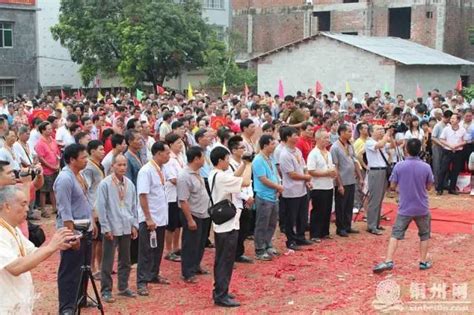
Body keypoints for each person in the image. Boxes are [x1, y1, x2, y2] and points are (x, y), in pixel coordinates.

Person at [0, 185, 77, 314]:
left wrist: (56, 245)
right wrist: (51, 246)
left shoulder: (12, 228)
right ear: (7, 206)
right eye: (23, 204)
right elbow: (15, 268)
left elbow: (32, 252)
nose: (27, 209)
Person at [373, 139, 434, 273]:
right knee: (424, 234)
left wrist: (402, 187)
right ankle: (423, 262)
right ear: (420, 150)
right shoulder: (426, 167)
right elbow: (429, 187)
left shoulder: (399, 166)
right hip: (421, 207)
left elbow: (393, 186)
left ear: (406, 149)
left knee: (396, 234)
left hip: (405, 207)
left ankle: (388, 260)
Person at [54, 143, 97, 315]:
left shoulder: (78, 175)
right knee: (69, 270)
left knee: (84, 267)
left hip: (84, 227)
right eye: (83, 158)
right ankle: (67, 307)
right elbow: (65, 211)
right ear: (72, 160)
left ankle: (81, 299)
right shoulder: (65, 179)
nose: (86, 160)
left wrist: (92, 223)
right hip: (73, 231)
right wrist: (71, 236)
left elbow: (84, 202)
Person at [208, 146, 251, 307]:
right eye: (227, 159)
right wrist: (249, 165)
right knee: (225, 260)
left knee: (222, 260)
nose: (228, 162)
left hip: (223, 224)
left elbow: (234, 176)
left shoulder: (215, 174)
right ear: (220, 160)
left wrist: (243, 164)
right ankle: (221, 294)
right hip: (227, 225)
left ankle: (221, 289)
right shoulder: (220, 177)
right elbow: (244, 182)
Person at [96, 154, 138, 303]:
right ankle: (106, 290)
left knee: (125, 260)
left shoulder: (130, 184)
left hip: (126, 225)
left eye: (124, 165)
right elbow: (101, 207)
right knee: (107, 261)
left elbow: (133, 206)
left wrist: (134, 225)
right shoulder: (105, 184)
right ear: (112, 166)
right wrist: (105, 227)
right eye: (119, 165)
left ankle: (123, 286)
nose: (122, 168)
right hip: (112, 227)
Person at [136, 141, 171, 296]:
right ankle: (141, 281)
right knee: (146, 251)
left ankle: (153, 274)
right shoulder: (146, 171)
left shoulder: (161, 169)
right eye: (167, 153)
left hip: (161, 216)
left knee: (157, 248)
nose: (168, 156)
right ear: (157, 153)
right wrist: (148, 218)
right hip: (150, 218)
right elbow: (143, 195)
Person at [177, 146, 211, 283]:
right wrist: (190, 219)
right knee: (190, 244)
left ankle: (196, 265)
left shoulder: (197, 172)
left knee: (200, 242)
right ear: (196, 159)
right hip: (193, 214)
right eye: (202, 157)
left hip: (203, 213)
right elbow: (183, 200)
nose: (204, 160)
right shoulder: (184, 176)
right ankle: (187, 272)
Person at [279, 127, 313, 250]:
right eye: (295, 135)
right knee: (290, 217)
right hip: (291, 190)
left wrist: (307, 179)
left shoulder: (297, 151)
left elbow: (303, 166)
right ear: (288, 137)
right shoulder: (284, 154)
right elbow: (291, 174)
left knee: (302, 215)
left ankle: (300, 236)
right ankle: (291, 240)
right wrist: (306, 177)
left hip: (302, 189)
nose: (297, 137)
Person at [252, 135, 283, 261]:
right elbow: (263, 179)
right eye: (272, 144)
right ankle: (260, 248)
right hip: (264, 196)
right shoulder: (258, 160)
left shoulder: (270, 158)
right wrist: (278, 186)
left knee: (272, 222)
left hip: (273, 195)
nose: (274, 146)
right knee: (262, 223)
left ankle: (268, 244)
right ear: (265, 145)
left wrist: (278, 187)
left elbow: (274, 174)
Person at [330, 124, 363, 237]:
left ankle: (348, 225)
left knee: (349, 204)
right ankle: (341, 228)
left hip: (351, 180)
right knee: (341, 205)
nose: (350, 133)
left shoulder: (350, 145)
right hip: (342, 181)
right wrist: (339, 184)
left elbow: (355, 161)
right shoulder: (335, 147)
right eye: (348, 131)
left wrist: (360, 177)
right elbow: (335, 166)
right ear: (342, 133)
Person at [227, 136, 254, 264]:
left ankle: (239, 253)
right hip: (236, 200)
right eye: (241, 148)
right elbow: (234, 184)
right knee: (234, 230)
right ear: (233, 150)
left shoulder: (244, 163)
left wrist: (250, 195)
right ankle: (232, 255)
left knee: (244, 228)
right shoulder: (230, 165)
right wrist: (245, 197)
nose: (244, 150)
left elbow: (249, 182)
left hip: (246, 199)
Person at [81, 140, 105, 279]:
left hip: (100, 205)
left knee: (101, 240)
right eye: (100, 149)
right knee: (95, 240)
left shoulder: (99, 165)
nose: (103, 151)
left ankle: (100, 265)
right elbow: (87, 190)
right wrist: (92, 211)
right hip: (93, 206)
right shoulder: (89, 168)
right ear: (92, 151)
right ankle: (93, 266)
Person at [365, 124, 395, 235]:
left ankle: (376, 224)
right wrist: (387, 133)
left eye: (382, 129)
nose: (381, 131)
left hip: (383, 171)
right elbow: (381, 144)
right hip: (375, 171)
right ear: (371, 132)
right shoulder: (369, 142)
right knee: (374, 199)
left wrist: (390, 134)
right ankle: (371, 225)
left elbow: (392, 145)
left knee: (380, 198)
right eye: (378, 129)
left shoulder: (381, 141)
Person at [307, 129, 337, 242]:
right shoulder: (313, 154)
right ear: (318, 139)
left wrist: (333, 172)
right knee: (318, 210)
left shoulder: (328, 153)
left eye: (328, 138)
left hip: (328, 185)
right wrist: (326, 173)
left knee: (327, 210)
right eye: (325, 138)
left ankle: (325, 232)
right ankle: (315, 234)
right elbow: (311, 171)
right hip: (318, 186)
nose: (327, 140)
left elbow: (332, 167)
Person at [163, 133, 185, 262]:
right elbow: (173, 179)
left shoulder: (180, 157)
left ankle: (177, 248)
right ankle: (169, 250)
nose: (180, 145)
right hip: (171, 195)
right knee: (171, 224)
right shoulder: (169, 159)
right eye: (178, 143)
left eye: (181, 142)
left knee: (178, 224)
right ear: (171, 145)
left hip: (179, 194)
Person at [436, 113, 468, 195]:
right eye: (451, 118)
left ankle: (452, 189)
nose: (451, 120)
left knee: (456, 170)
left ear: (458, 120)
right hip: (447, 151)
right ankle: (439, 189)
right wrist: (450, 145)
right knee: (443, 170)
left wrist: (457, 145)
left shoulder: (463, 130)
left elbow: (465, 141)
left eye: (454, 118)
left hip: (458, 152)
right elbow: (441, 139)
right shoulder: (446, 129)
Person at [35, 121, 60, 218]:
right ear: (42, 131)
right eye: (48, 129)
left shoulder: (52, 139)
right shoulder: (40, 143)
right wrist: (51, 166)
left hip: (55, 168)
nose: (51, 130)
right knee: (44, 190)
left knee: (53, 189)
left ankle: (55, 208)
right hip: (46, 170)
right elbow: (41, 158)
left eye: (51, 129)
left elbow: (57, 153)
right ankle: (43, 210)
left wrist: (57, 163)